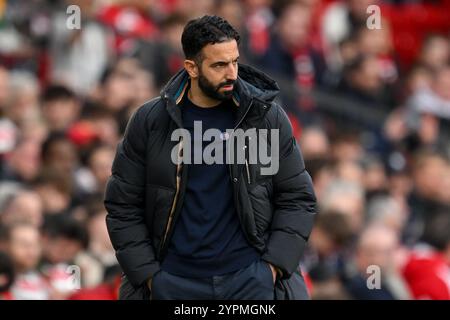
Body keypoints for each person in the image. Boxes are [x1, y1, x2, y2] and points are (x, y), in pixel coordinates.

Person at [104, 15, 317, 300]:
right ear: (191, 68)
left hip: (250, 282)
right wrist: (150, 276)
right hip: (175, 283)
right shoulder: (150, 121)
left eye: (234, 62)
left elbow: (297, 197)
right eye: (219, 65)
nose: (231, 73)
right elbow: (123, 205)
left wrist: (273, 267)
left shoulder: (266, 116)